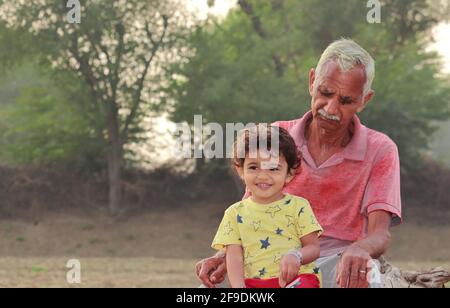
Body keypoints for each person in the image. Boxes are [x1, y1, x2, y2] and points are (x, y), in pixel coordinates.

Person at [196, 38, 401, 288]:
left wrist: (360, 249)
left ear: (364, 100)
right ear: (312, 81)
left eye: (346, 100)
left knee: (367, 278)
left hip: (339, 264)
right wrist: (222, 257)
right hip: (267, 261)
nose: (330, 108)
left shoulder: (380, 150)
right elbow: (248, 217)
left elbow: (380, 233)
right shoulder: (274, 137)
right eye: (325, 93)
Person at [212, 125, 322, 288]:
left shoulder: (298, 206)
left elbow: (313, 247)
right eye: (253, 167)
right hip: (254, 283)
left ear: (290, 173)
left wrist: (296, 255)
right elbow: (234, 257)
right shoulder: (234, 213)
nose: (263, 175)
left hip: (297, 279)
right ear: (240, 170)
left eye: (273, 168)